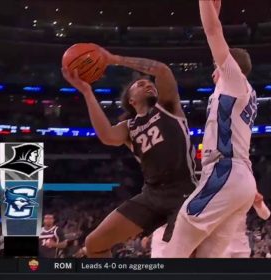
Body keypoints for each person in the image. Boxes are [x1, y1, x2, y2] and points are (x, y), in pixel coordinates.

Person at [62, 47, 196, 258]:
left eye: (148, 83)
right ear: (131, 100)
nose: (147, 84)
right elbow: (106, 136)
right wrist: (87, 92)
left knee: (178, 256)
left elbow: (161, 70)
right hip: (152, 195)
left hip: (185, 192)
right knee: (94, 243)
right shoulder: (128, 127)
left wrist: (114, 59)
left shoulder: (167, 106)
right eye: (140, 84)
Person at [163, 0, 258, 257]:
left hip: (225, 171)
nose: (213, 71)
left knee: (176, 241)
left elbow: (214, 34)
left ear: (228, 68)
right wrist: (213, 14)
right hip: (238, 178)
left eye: (217, 67)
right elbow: (213, 36)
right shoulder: (239, 90)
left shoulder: (234, 80)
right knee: (207, 256)